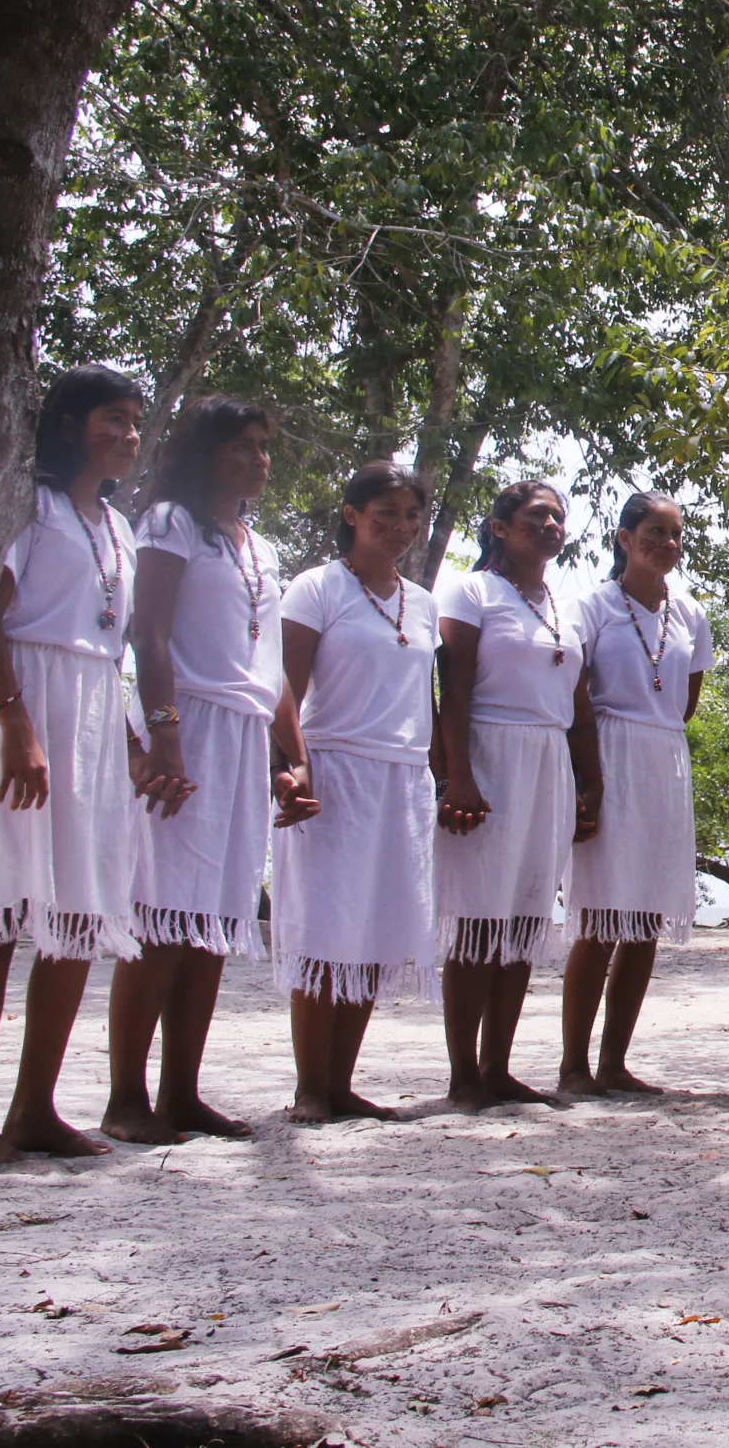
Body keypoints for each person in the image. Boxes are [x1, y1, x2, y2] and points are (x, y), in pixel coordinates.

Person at [0, 366, 159, 1163]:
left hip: (91, 717)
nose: (128, 434)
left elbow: (112, 645)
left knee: (77, 917)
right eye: (112, 419)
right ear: (67, 423)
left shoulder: (119, 529)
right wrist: (14, 722)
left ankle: (36, 1107)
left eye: (135, 422)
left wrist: (129, 741)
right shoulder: (26, 505)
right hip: (22, 704)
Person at [107, 395, 312, 1145]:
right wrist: (162, 734)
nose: (257, 459)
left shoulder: (260, 546)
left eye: (263, 447)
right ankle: (125, 1096)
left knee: (214, 920)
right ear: (205, 452)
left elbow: (274, 670)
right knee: (164, 912)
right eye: (241, 447)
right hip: (184, 722)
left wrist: (293, 758)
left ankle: (181, 1092)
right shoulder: (169, 522)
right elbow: (150, 633)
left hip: (240, 733)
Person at [271, 463, 441, 1123]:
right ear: (350, 515)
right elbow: (284, 685)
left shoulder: (422, 602)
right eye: (384, 514)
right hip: (333, 766)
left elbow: (422, 697)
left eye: (410, 517)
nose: (398, 528)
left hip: (401, 777)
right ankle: (311, 1085)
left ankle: (342, 1081)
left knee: (373, 927)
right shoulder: (316, 588)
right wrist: (289, 767)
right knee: (325, 927)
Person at [436, 479, 598, 1110]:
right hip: (489, 753)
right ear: (499, 527)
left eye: (559, 517)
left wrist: (591, 781)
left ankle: (498, 1067)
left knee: (526, 917)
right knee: (479, 918)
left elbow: (579, 703)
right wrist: (459, 777)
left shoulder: (566, 604)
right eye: (537, 516)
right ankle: (462, 1076)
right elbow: (454, 691)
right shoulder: (472, 591)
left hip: (549, 761)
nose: (551, 525)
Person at [559, 491, 713, 1096]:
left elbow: (687, 699)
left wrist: (658, 737)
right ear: (624, 539)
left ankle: (614, 1063)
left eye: (676, 535)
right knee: (600, 914)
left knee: (646, 917)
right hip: (607, 750)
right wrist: (587, 776)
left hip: (664, 759)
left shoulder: (692, 613)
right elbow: (574, 688)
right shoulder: (592, 605)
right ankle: (574, 1067)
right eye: (654, 532)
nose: (667, 545)